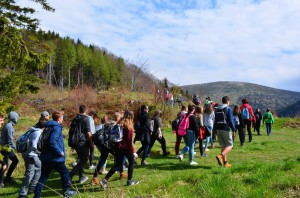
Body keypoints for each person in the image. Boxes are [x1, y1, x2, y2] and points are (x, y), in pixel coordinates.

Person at [34, 111, 77, 197]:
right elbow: (52, 142)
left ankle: (37, 195)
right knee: (65, 172)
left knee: (43, 177)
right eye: (62, 118)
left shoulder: (48, 126)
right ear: (59, 119)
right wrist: (59, 152)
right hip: (54, 157)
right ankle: (66, 191)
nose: (63, 119)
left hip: (46, 156)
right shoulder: (56, 127)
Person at [100, 110, 139, 189]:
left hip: (118, 147)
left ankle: (104, 180)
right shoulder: (129, 125)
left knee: (117, 165)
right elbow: (129, 141)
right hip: (126, 148)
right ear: (132, 116)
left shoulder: (120, 123)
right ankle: (129, 181)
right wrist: (133, 152)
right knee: (131, 161)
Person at [91, 112, 126, 186]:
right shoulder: (116, 125)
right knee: (119, 159)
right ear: (119, 118)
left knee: (103, 159)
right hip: (111, 145)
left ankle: (94, 178)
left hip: (104, 144)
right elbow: (117, 137)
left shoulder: (107, 124)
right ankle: (117, 175)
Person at [19, 112, 48, 198]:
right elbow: (34, 145)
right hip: (31, 154)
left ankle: (28, 189)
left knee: (35, 170)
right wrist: (40, 152)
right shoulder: (38, 132)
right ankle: (26, 191)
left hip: (27, 153)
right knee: (32, 172)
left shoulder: (33, 129)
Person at [69, 105, 94, 184]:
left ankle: (81, 177)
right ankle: (70, 175)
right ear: (86, 110)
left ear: (79, 110)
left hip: (75, 142)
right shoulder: (86, 119)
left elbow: (72, 131)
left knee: (80, 159)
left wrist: (72, 144)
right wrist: (91, 144)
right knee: (84, 159)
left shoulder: (75, 119)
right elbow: (88, 132)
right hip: (82, 142)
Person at [215, 96, 236, 168]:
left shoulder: (217, 109)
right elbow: (231, 120)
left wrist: (214, 130)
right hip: (225, 128)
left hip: (218, 129)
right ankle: (220, 156)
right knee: (230, 145)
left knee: (223, 145)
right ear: (228, 101)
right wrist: (234, 130)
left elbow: (215, 120)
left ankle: (225, 163)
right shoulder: (228, 109)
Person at [0, 111, 19, 186]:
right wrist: (17, 148)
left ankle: (7, 177)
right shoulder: (9, 127)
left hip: (7, 147)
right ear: (14, 118)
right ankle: (1, 181)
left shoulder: (8, 125)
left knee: (15, 161)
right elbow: (10, 140)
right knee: (5, 165)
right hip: (6, 148)